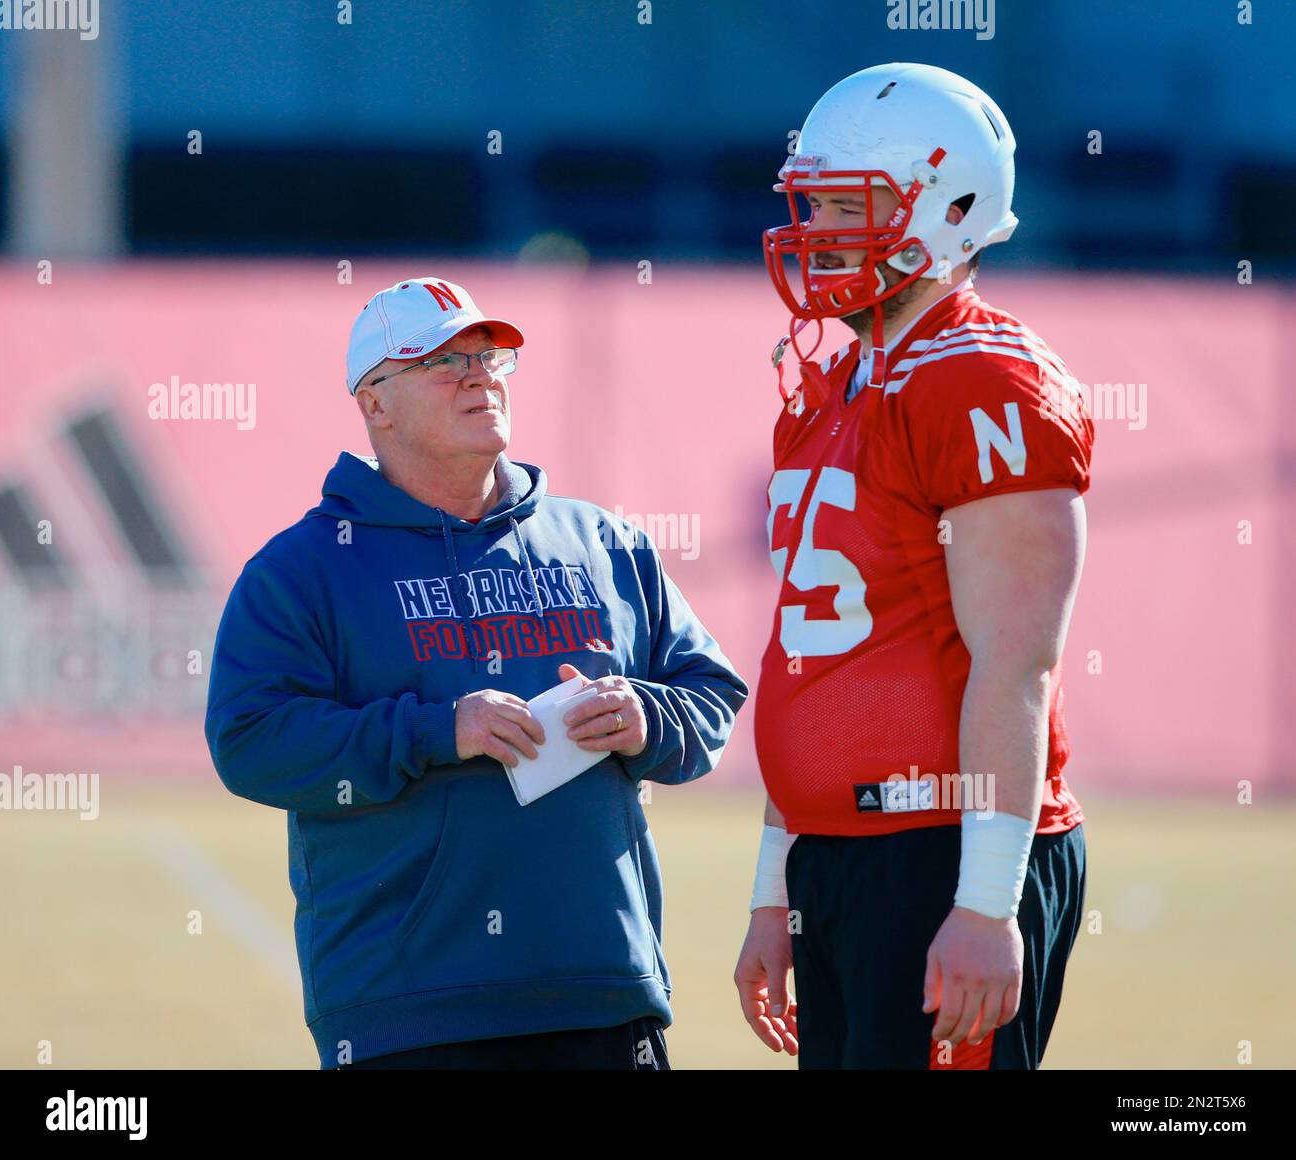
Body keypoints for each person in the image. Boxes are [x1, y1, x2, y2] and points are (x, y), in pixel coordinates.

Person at [205, 275, 747, 1069]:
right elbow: (249, 739)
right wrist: (435, 730)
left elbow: (712, 694)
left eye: (489, 358)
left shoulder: (600, 541)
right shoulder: (304, 568)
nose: (477, 377)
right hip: (411, 1012)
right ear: (375, 404)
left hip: (602, 993)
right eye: (441, 362)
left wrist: (648, 718)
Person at [734, 63, 1094, 1070]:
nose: (818, 233)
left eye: (849, 206)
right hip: (838, 853)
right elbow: (806, 658)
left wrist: (984, 900)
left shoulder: (981, 377)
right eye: (813, 203)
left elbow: (1015, 664)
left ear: (951, 206)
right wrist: (777, 884)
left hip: (940, 844)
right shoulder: (834, 381)